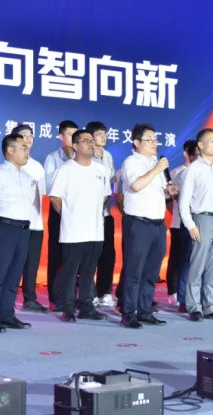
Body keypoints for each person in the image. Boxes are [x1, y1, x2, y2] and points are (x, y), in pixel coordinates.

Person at [119, 124, 178, 328]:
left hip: (158, 224)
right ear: (136, 142)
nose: (154, 143)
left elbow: (156, 191)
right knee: (134, 271)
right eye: (149, 140)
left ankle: (145, 311)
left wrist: (168, 191)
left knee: (151, 272)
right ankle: (128, 313)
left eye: (155, 139)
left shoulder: (155, 163)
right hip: (138, 223)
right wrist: (156, 169)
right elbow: (136, 185)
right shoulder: (131, 162)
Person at [48, 129, 110, 323]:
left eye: (91, 140)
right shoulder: (66, 169)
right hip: (73, 232)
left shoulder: (100, 170)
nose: (91, 144)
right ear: (75, 146)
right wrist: (69, 215)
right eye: (85, 141)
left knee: (89, 271)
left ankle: (86, 306)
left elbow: (105, 195)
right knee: (69, 271)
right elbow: (55, 197)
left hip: (95, 230)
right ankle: (67, 308)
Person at [0, 134, 34, 333]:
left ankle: (7, 314)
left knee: (14, 275)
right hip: (4, 228)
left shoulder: (27, 176)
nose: (27, 151)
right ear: (10, 150)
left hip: (23, 229)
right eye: (23, 148)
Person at [178, 128, 213, 322]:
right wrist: (190, 224)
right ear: (200, 145)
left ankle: (211, 305)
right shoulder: (193, 169)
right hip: (202, 218)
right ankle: (193, 306)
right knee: (198, 264)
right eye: (211, 141)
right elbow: (183, 201)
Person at [11, 124, 48, 313]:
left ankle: (30, 298)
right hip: (15, 222)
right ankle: (7, 299)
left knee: (32, 264)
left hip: (35, 222)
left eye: (31, 135)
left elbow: (42, 195)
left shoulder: (37, 166)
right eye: (23, 135)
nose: (28, 138)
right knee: (13, 263)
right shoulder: (11, 166)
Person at [43, 120, 78, 310]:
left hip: (78, 212)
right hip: (59, 211)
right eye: (70, 134)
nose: (73, 138)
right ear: (61, 136)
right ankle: (55, 297)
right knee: (57, 255)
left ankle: (71, 295)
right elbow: (50, 188)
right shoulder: (53, 158)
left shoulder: (81, 158)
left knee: (74, 256)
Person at [86, 121, 117, 308]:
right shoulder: (86, 156)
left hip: (106, 212)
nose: (103, 137)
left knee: (108, 255)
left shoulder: (108, 156)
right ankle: (88, 294)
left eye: (104, 133)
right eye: (99, 134)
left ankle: (104, 292)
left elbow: (111, 178)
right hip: (90, 214)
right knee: (91, 255)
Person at [166, 140, 197, 306]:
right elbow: (170, 198)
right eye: (195, 154)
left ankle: (188, 292)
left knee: (191, 259)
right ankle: (173, 291)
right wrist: (178, 215)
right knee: (177, 259)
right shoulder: (178, 172)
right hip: (179, 223)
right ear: (187, 154)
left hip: (197, 223)